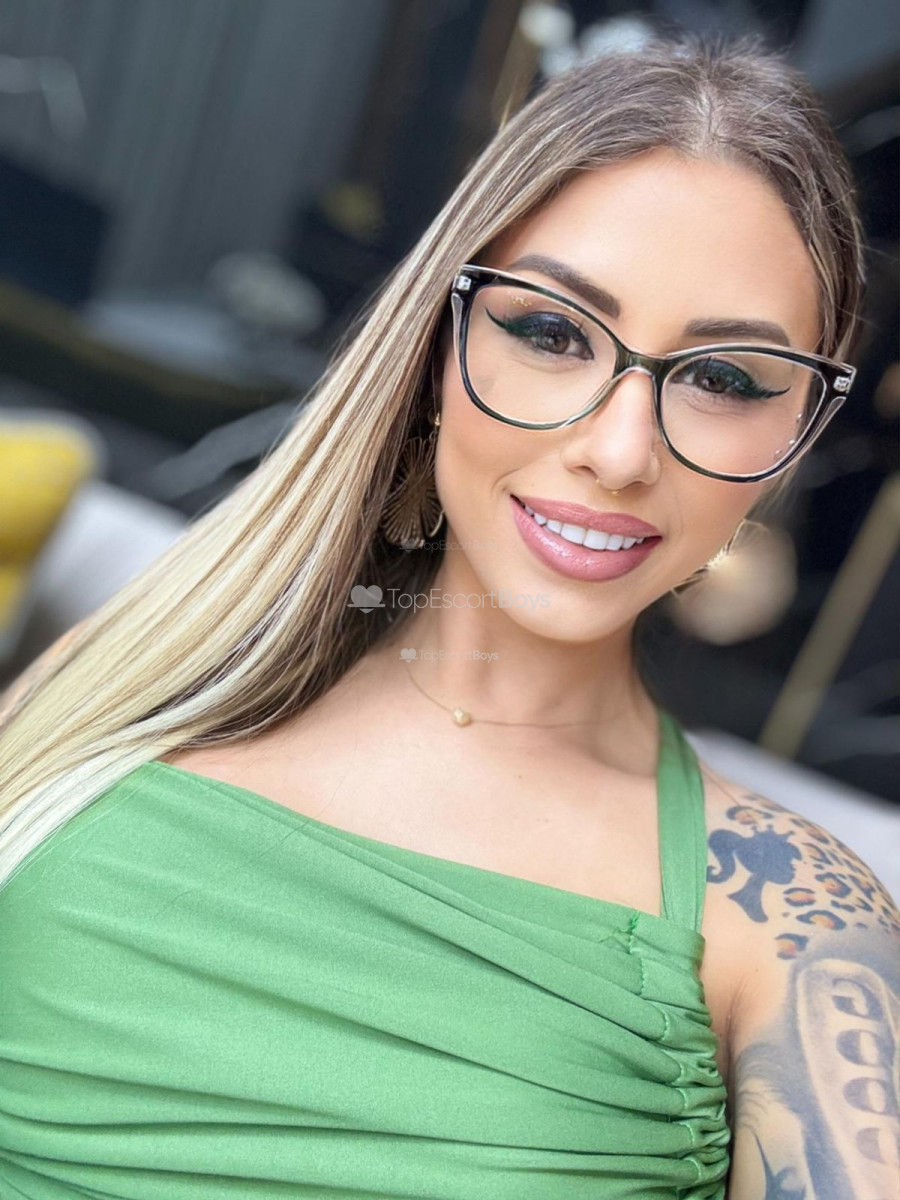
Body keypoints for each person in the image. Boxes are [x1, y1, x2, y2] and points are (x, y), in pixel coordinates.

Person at [0, 30, 897, 1200]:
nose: (620, 451)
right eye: (551, 333)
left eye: (725, 380)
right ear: (438, 344)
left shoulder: (790, 921)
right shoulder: (126, 679)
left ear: (796, 435)